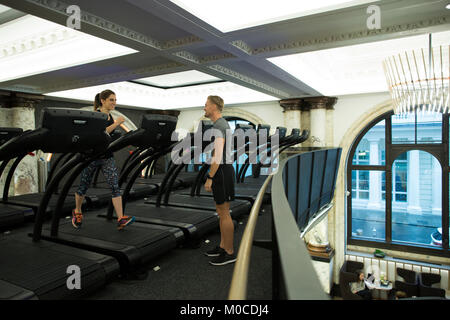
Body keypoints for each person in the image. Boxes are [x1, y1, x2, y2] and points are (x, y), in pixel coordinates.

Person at [72, 89, 135, 230]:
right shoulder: (97, 115)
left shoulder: (110, 116)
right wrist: (118, 123)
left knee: (115, 187)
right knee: (83, 186)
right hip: (91, 157)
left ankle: (121, 218)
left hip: (106, 156)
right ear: (103, 100)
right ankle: (77, 211)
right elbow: (102, 132)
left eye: (115, 100)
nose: (114, 102)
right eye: (111, 100)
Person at [203, 95, 236, 266]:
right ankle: (223, 246)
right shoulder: (221, 125)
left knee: (224, 213)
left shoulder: (220, 125)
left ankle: (229, 252)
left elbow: (218, 155)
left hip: (221, 172)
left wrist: (210, 177)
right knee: (221, 212)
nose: (204, 107)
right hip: (224, 171)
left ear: (215, 106)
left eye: (207, 105)